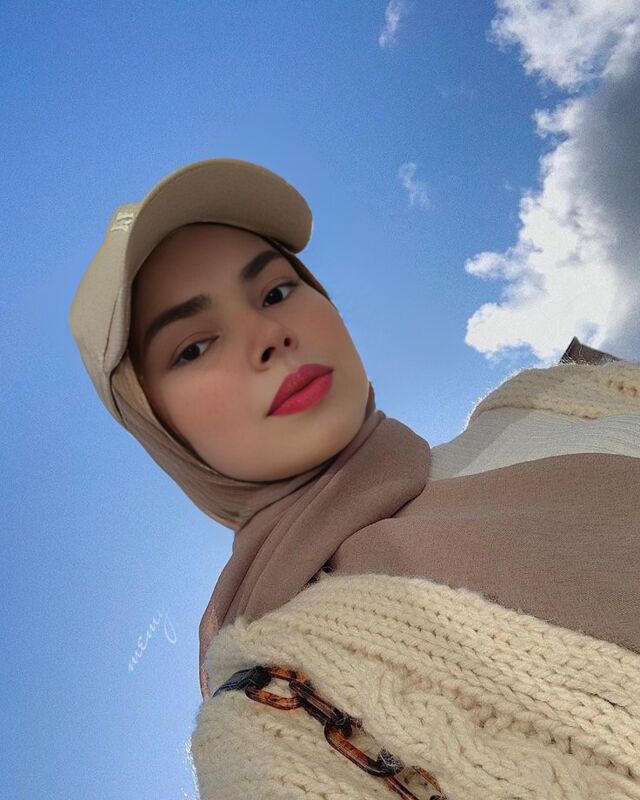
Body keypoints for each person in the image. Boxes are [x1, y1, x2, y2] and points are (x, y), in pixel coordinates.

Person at [69, 158, 640, 800]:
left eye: (276, 292)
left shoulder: (558, 399)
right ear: (159, 427)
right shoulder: (274, 720)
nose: (267, 333)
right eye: (193, 347)